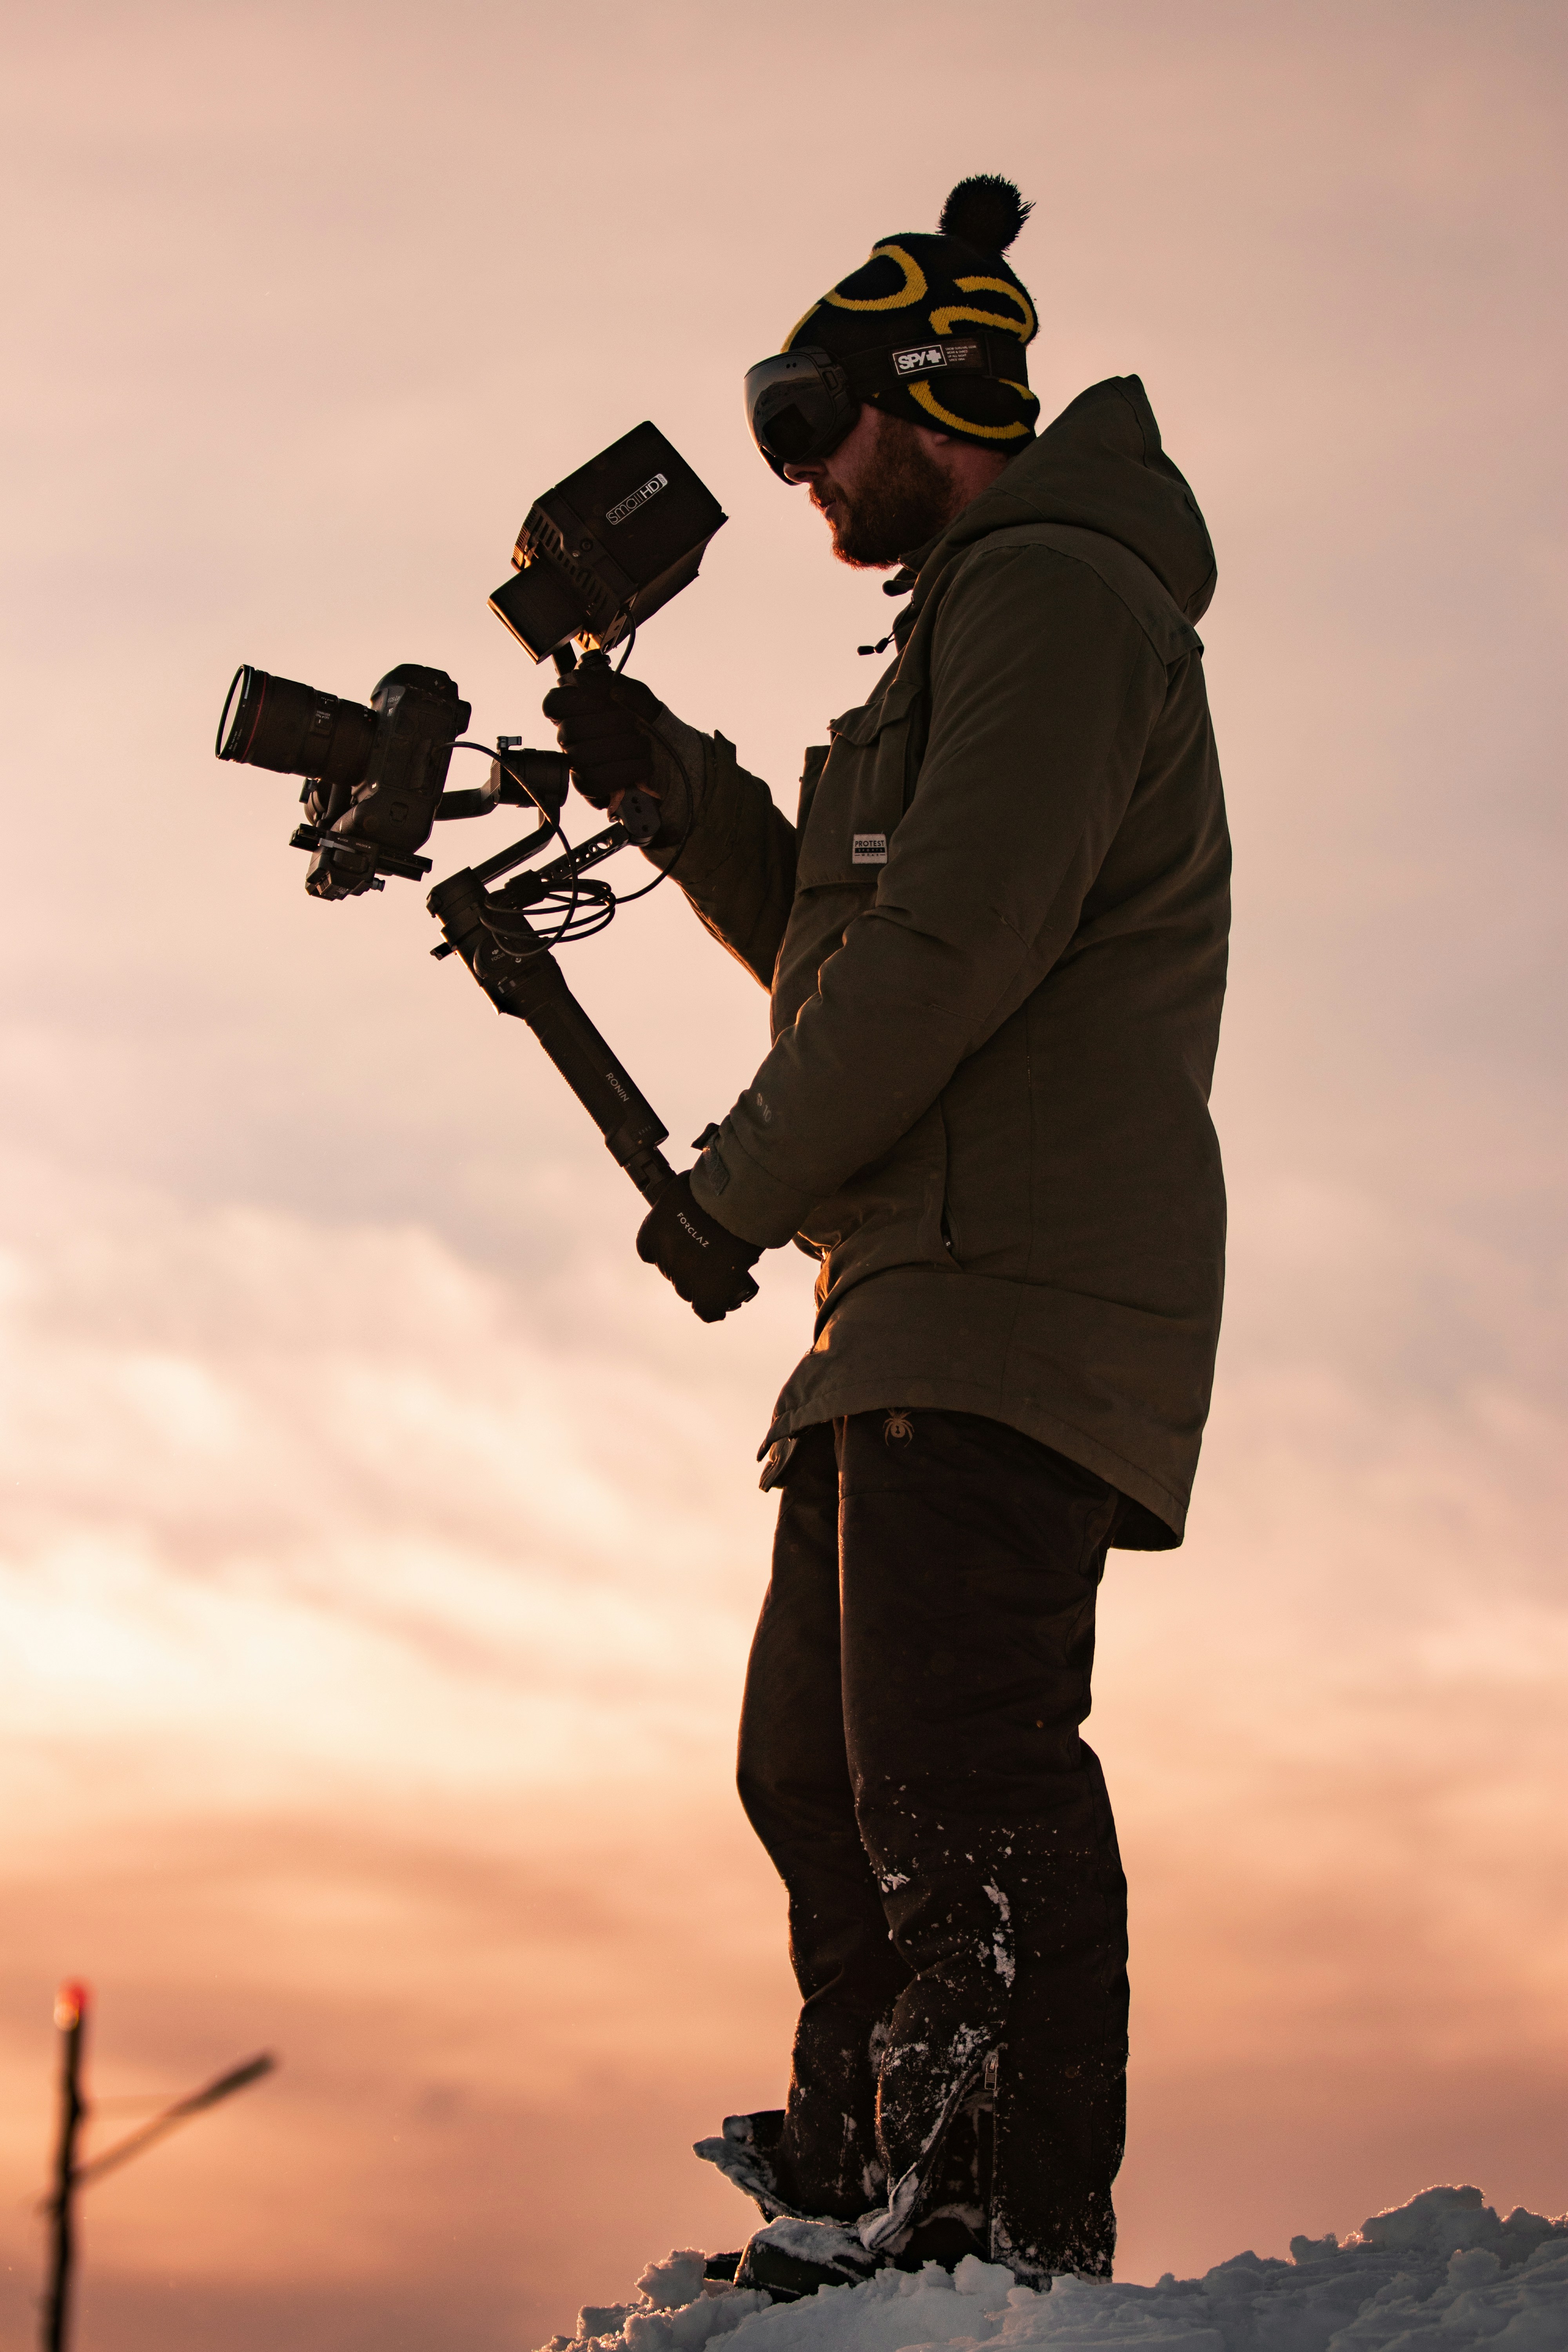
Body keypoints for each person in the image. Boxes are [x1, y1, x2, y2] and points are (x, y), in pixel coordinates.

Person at [542, 175, 1229, 2298]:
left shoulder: (1057, 600)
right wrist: (672, 793)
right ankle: (864, 2192)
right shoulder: (964, 625)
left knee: (956, 1773)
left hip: (1007, 1295)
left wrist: (733, 1183)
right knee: (813, 1767)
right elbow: (847, 938)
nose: (801, 465)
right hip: (897, 1300)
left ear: (938, 385)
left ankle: (996, 2245)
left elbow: (947, 952)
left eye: (813, 412)